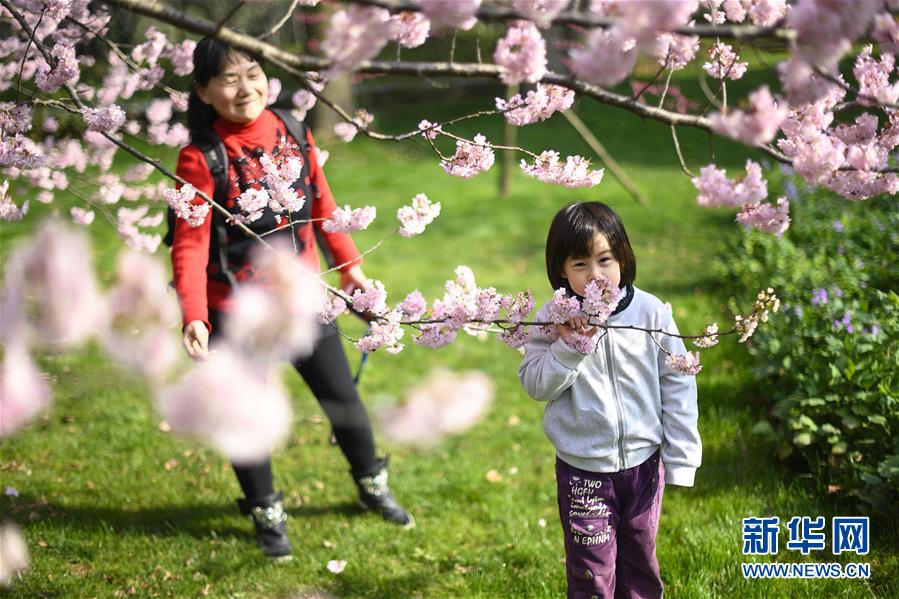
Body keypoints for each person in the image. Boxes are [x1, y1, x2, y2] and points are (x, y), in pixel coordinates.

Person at [170, 37, 413, 560]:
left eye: (251, 72)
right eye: (228, 78)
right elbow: (189, 244)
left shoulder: (292, 130)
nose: (244, 87)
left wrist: (351, 272)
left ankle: (372, 486)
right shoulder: (200, 157)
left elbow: (325, 208)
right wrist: (194, 315)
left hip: (303, 299)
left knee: (342, 400)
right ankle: (266, 512)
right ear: (205, 92)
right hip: (236, 310)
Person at [517, 202, 701, 598]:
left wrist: (682, 456)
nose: (596, 275)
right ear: (560, 270)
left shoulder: (650, 313)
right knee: (591, 574)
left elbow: (678, 381)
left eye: (605, 259)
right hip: (584, 469)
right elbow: (535, 384)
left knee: (640, 562)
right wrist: (569, 347)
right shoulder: (554, 319)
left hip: (643, 465)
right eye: (580, 264)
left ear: (624, 258)